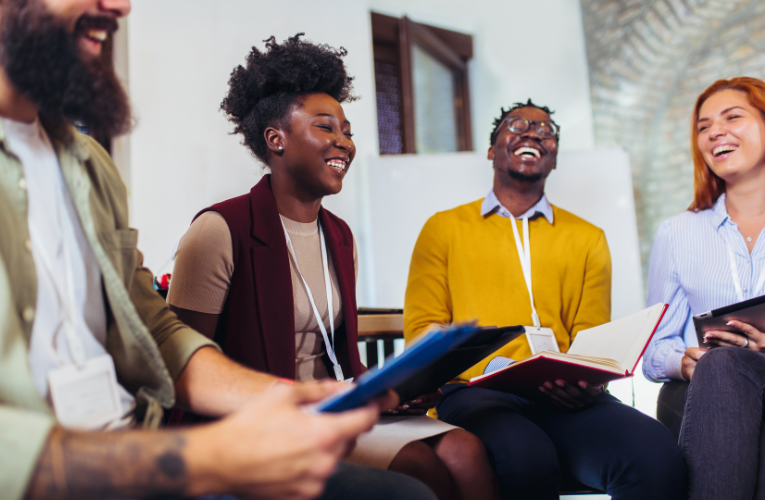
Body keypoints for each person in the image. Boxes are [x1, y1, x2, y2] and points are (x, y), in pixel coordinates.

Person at [0, 1, 440, 499]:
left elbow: (154, 329)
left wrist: (289, 399)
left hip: (136, 443)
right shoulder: (221, 228)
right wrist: (203, 458)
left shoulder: (85, 163)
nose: (120, 6)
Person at [166, 34, 495, 500]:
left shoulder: (338, 235)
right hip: (260, 422)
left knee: (466, 452)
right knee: (421, 468)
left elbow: (341, 356)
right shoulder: (220, 230)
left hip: (337, 405)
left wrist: (399, 389)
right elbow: (184, 366)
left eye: (347, 130)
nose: (344, 142)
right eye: (326, 127)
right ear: (275, 138)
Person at [403, 99, 687, 500]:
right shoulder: (443, 228)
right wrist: (484, 369)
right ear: (491, 150)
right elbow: (423, 331)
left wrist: (586, 379)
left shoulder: (588, 237)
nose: (533, 132)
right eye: (516, 125)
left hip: (563, 393)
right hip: (474, 392)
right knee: (525, 458)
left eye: (546, 130)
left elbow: (590, 336)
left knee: (655, 455)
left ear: (553, 158)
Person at [644, 76, 765, 499]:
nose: (716, 132)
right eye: (703, 126)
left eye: (733, 117)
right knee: (723, 364)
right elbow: (652, 349)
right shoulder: (678, 233)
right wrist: (688, 361)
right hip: (719, 386)